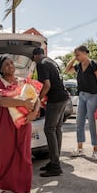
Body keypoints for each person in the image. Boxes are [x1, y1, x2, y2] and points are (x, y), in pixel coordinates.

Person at [0, 54, 41, 193]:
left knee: (24, 155)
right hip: (4, 122)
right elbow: (0, 100)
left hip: (23, 122)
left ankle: (27, 192)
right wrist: (22, 102)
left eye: (11, 63)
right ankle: (0, 182)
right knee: (3, 155)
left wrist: (33, 113)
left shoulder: (23, 82)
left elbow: (36, 98)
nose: (10, 66)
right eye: (6, 64)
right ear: (0, 69)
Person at [32, 47, 69, 177]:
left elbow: (47, 85)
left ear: (36, 56)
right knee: (57, 130)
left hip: (55, 100)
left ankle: (55, 166)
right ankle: (54, 161)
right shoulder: (51, 62)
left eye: (33, 58)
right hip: (64, 97)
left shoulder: (41, 64)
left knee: (49, 129)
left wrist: (37, 100)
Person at [64, 45, 97, 160]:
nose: (76, 57)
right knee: (79, 122)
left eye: (78, 55)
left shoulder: (95, 65)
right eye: (75, 55)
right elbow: (67, 70)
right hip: (82, 96)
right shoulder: (78, 66)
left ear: (85, 53)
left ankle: (95, 151)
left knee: (92, 124)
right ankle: (80, 148)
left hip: (93, 97)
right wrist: (74, 58)